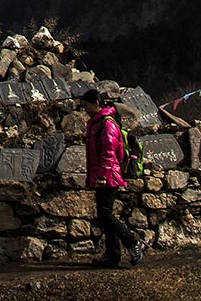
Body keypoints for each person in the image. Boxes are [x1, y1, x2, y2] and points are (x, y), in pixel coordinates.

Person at [79, 89, 147, 268]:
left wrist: (102, 176)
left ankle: (132, 242)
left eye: (86, 106)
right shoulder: (97, 122)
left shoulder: (107, 124)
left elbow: (109, 153)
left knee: (106, 214)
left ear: (96, 103)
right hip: (104, 174)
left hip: (108, 175)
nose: (85, 110)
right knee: (104, 214)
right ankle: (113, 254)